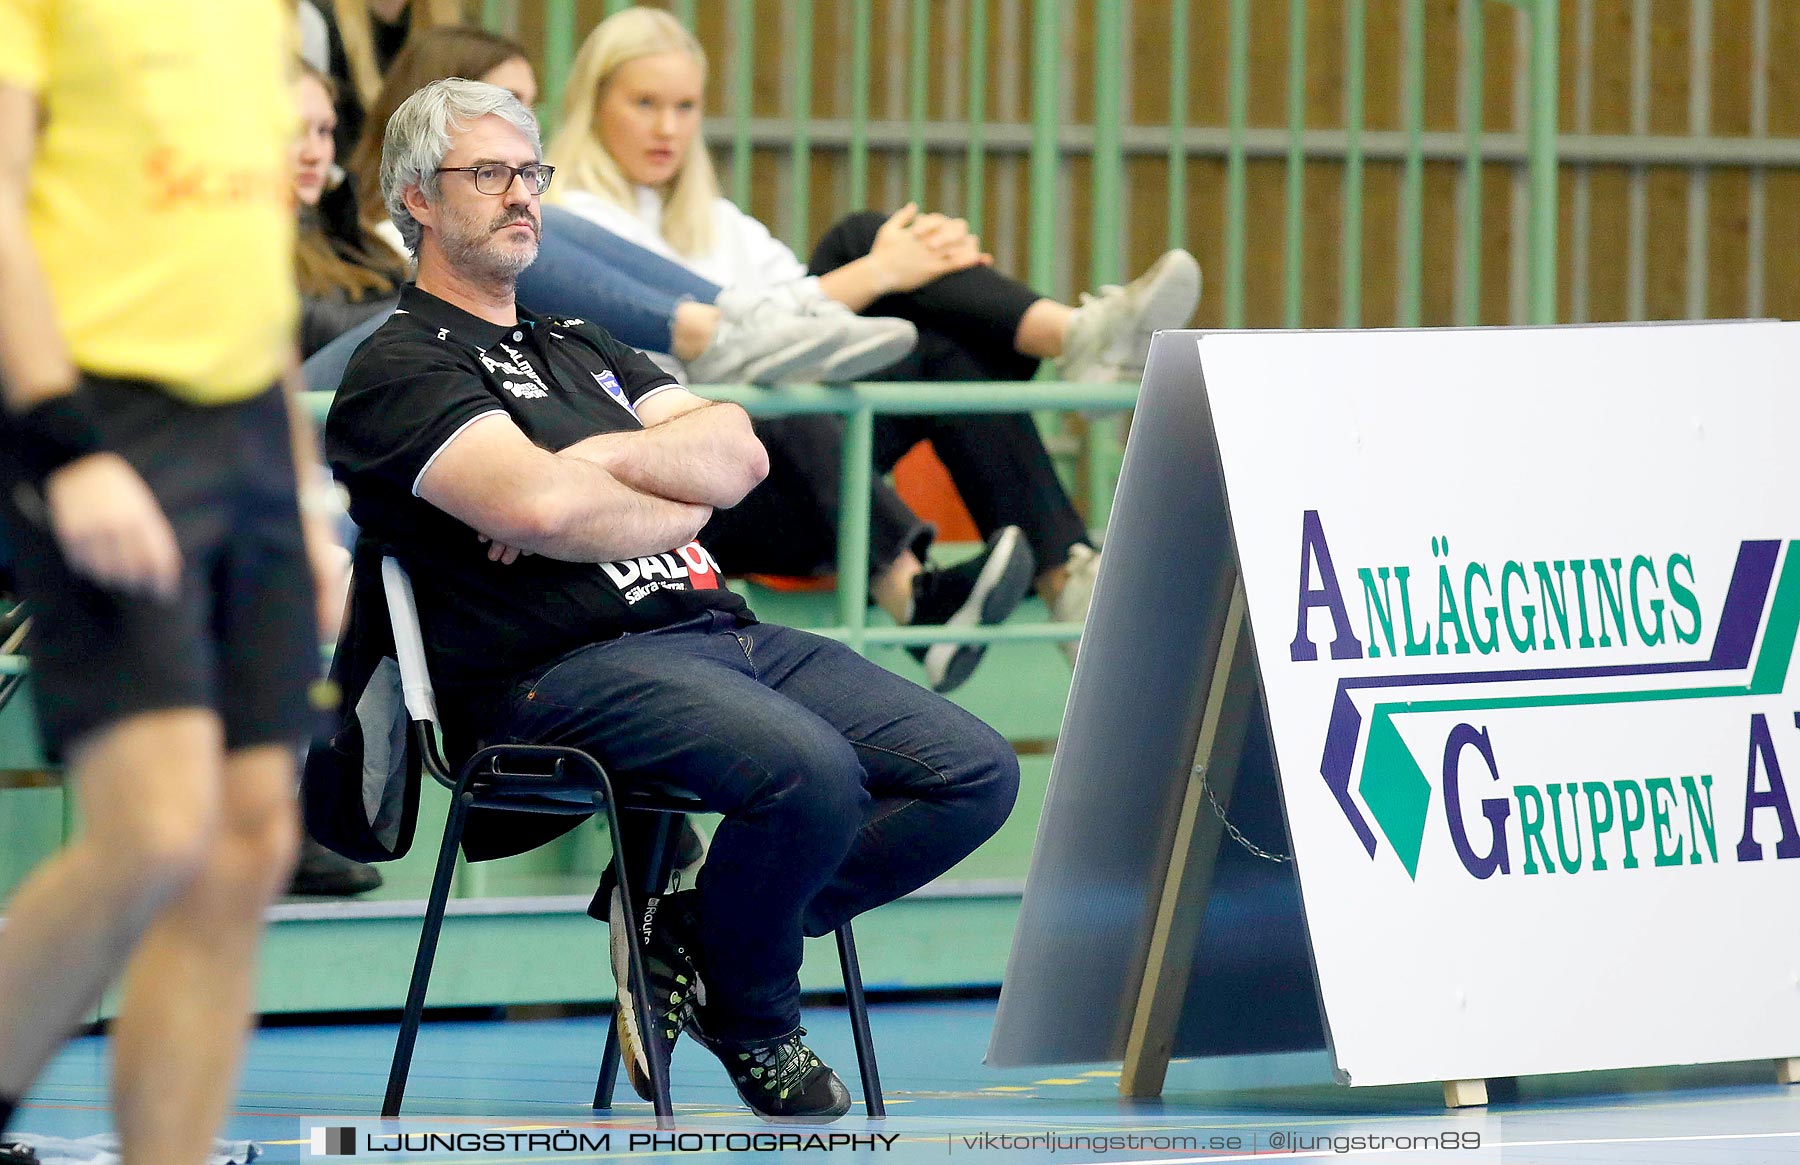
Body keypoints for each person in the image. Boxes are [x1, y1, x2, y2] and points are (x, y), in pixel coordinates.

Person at [326, 78, 1019, 1122]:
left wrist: (596, 467)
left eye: (530, 174)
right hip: (549, 673)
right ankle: (757, 1016)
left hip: (713, 632)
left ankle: (694, 931)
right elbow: (548, 511)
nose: (520, 196)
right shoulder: (400, 368)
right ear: (417, 198)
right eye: (488, 175)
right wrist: (654, 495)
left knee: (973, 773)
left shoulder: (579, 342)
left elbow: (734, 452)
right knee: (809, 773)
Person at [322, 25, 1031, 692]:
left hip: (632, 460)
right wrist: (873, 277)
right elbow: (531, 494)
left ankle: (1069, 355)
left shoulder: (690, 217)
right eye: (486, 162)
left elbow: (682, 461)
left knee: (894, 326)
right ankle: (729, 337)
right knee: (763, 374)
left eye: (525, 132)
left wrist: (587, 469)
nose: (514, 177)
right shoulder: (424, 244)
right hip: (421, 454)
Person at [547, 6, 1204, 665]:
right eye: (644, 103)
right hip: (707, 491)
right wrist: (879, 269)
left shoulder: (717, 220)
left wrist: (899, 270)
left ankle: (1064, 543)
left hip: (795, 467)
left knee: (932, 339)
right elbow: (683, 368)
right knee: (853, 260)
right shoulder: (564, 224)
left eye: (685, 106)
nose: (668, 127)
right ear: (594, 103)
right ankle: (1074, 343)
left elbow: (796, 319)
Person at [0, 4, 336, 1163]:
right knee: (153, 825)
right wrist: (63, 439)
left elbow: (243, 255)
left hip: (245, 424)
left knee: (246, 839)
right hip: (97, 403)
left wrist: (300, 488)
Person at [338, 26, 913, 387]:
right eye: (501, 104)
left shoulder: (707, 213)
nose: (522, 124)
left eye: (527, 106)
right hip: (324, 397)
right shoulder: (376, 231)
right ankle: (714, 336)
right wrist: (879, 273)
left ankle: (731, 327)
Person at [294, 60, 404, 358]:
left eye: (324, 131)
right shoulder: (224, 235)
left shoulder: (336, 215)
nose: (315, 154)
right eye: (293, 131)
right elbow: (309, 327)